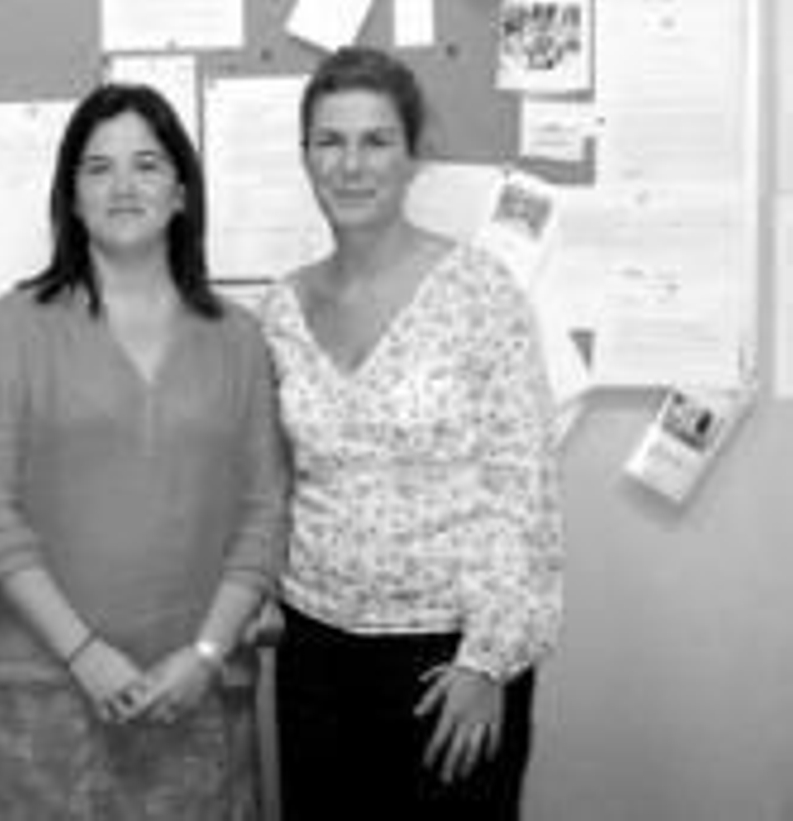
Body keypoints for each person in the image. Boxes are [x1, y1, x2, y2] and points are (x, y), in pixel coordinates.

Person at [0, 83, 291, 820]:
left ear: (181, 192)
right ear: (71, 199)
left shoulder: (237, 338)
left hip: (198, 689)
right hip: (44, 686)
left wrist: (206, 654)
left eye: (147, 164)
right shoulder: (10, 329)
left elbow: (266, 512)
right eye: (98, 168)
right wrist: (85, 654)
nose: (124, 186)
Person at [254, 46, 564, 820]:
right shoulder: (281, 308)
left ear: (412, 156)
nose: (351, 164)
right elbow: (269, 477)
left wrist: (488, 660)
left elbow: (521, 485)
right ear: (305, 155)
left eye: (376, 140)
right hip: (315, 650)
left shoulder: (478, 291)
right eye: (330, 141)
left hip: (448, 658)